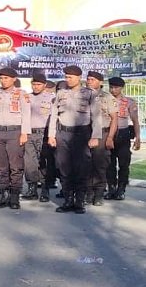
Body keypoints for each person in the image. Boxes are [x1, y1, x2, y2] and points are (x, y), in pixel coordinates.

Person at [48, 65, 102, 214]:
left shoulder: (89, 93)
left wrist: (95, 136)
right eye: (66, 77)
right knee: (64, 168)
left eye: (70, 77)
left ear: (79, 78)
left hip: (81, 134)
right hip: (63, 133)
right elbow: (54, 116)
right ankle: (67, 200)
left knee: (81, 168)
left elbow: (96, 117)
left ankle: (79, 202)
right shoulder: (60, 93)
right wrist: (51, 135)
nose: (68, 79)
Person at [0, 68, 31, 210]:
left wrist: (24, 133)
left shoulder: (21, 94)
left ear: (13, 79)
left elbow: (26, 114)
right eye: (1, 78)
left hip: (14, 132)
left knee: (16, 166)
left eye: (6, 78)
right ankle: (3, 195)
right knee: (1, 166)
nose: (3, 81)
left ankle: (15, 196)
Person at [85, 71, 118, 206]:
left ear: (100, 82)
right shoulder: (82, 95)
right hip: (85, 133)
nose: (89, 81)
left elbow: (114, 119)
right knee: (86, 164)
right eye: (88, 79)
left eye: (92, 79)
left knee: (100, 164)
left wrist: (110, 137)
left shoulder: (107, 97)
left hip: (103, 134)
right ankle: (88, 193)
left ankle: (98, 193)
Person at [22, 73, 56, 202]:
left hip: (44, 133)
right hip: (29, 133)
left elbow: (55, 117)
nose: (36, 87)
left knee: (44, 162)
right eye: (34, 84)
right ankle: (32, 188)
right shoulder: (27, 97)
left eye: (39, 84)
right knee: (29, 162)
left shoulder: (52, 98)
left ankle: (45, 188)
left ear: (45, 85)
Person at [106, 77, 141, 200]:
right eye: (111, 87)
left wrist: (138, 137)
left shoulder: (129, 102)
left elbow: (135, 121)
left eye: (116, 87)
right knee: (109, 163)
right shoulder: (105, 100)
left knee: (124, 163)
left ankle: (121, 189)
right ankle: (111, 188)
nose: (113, 90)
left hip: (123, 134)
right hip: (108, 133)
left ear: (122, 88)